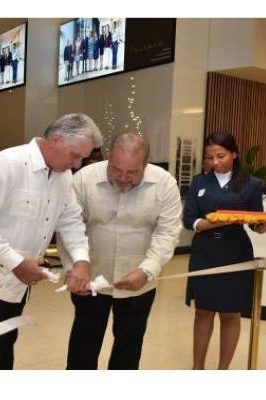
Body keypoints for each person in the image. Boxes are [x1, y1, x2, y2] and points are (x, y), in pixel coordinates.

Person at [0, 113, 102, 369]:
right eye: (76, 156)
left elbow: (71, 220)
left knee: (4, 348)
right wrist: (16, 263)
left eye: (83, 158)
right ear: (57, 139)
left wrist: (81, 261)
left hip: (18, 283)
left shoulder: (62, 176)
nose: (77, 164)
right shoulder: (5, 164)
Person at [59, 133, 182, 370]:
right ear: (108, 157)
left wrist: (147, 271)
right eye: (116, 169)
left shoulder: (165, 184)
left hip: (138, 281)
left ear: (145, 165)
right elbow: (69, 226)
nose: (123, 178)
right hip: (91, 279)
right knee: (84, 343)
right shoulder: (83, 179)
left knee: (129, 345)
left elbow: (167, 232)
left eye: (132, 173)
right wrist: (73, 267)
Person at [182, 131, 266, 369]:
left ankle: (223, 370)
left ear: (234, 153)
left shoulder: (250, 184)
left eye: (220, 156)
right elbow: (189, 219)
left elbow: (255, 221)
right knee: (203, 311)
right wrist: (216, 221)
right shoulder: (199, 182)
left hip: (236, 252)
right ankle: (197, 367)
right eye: (210, 157)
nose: (215, 162)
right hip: (205, 251)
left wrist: (264, 226)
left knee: (230, 314)